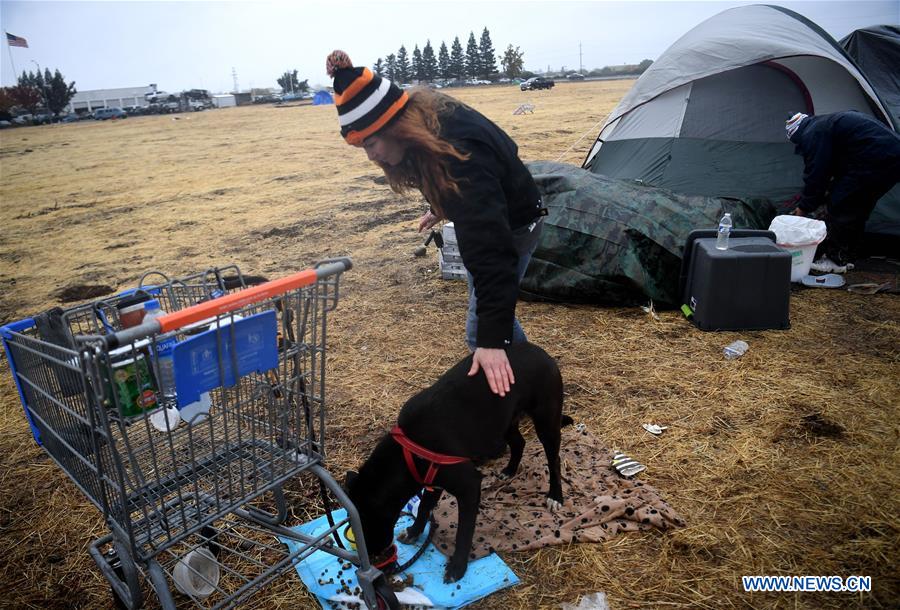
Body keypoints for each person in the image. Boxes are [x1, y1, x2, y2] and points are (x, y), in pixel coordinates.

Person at [326, 50, 546, 397]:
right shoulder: (425, 124)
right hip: (497, 217)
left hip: (515, 225)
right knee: (486, 304)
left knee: (482, 332)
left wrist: (490, 341)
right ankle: (533, 373)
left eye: (371, 142)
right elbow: (451, 187)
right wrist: (440, 205)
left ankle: (524, 386)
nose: (370, 156)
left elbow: (491, 248)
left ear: (396, 126)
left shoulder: (457, 155)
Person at [785, 110, 900, 267]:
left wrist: (804, 207)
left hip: (874, 157)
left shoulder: (812, 133)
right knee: (858, 207)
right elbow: (834, 168)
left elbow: (816, 174)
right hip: (890, 156)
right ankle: (849, 254)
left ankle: (834, 260)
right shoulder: (823, 125)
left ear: (796, 134)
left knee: (841, 205)